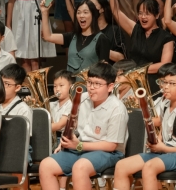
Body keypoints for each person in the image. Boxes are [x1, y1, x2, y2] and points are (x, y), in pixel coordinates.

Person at [38, 62, 128, 190]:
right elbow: (73, 127)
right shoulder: (82, 98)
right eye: (89, 82)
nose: (91, 88)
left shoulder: (117, 109)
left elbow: (111, 145)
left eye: (97, 84)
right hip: (80, 148)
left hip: (108, 152)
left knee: (80, 168)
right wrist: (65, 142)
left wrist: (78, 145)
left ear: (110, 87)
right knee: (45, 165)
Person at [113, 64, 176, 190]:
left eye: (172, 83)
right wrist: (158, 141)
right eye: (164, 82)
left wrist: (164, 148)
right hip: (166, 152)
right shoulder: (165, 104)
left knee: (149, 167)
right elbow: (164, 125)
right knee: (121, 166)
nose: (165, 87)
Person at [103, 0, 174, 95]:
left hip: (153, 83)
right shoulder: (135, 29)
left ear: (157, 15)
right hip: (131, 81)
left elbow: (164, 65)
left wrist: (136, 71)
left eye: (147, 14)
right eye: (140, 13)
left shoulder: (166, 37)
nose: (143, 17)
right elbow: (115, 11)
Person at [40, 0, 110, 72]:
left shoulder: (101, 39)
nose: (81, 15)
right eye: (78, 12)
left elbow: (104, 70)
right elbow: (48, 36)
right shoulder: (72, 36)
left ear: (93, 15)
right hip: (70, 79)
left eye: (85, 12)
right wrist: (44, 12)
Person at [0, 64, 33, 164]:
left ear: (17, 87)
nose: (1, 87)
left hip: (18, 150)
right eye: (0, 82)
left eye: (7, 84)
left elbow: (22, 139)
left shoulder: (23, 109)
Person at [49, 69, 74, 190]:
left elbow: (59, 125)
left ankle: (62, 187)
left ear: (71, 87)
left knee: (63, 154)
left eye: (61, 85)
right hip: (51, 137)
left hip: (64, 138)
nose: (57, 89)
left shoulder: (71, 104)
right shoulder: (51, 104)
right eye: (55, 86)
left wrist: (42, 127)